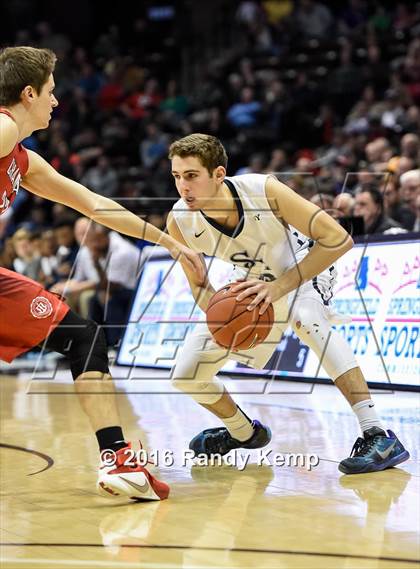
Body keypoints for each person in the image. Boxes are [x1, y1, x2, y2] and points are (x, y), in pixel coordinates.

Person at [0, 46, 205, 501]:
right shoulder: (4, 126)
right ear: (28, 92)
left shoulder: (22, 159)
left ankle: (117, 460)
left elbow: (96, 205)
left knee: (84, 337)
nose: (56, 102)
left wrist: (166, 240)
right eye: (51, 92)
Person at [166, 133, 409, 475]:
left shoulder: (263, 190)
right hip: (250, 280)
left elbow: (338, 239)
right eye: (176, 176)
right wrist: (227, 322)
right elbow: (200, 285)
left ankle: (377, 434)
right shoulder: (179, 221)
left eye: (191, 176)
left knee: (305, 317)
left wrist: (280, 287)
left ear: (219, 174)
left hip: (301, 264)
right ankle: (243, 433)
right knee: (186, 373)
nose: (183, 186)